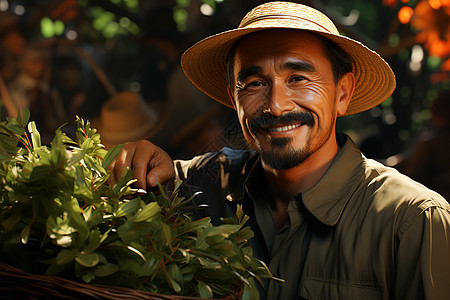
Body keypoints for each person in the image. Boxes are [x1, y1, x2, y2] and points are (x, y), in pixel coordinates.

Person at [109, 2, 450, 299]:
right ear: (234, 99)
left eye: (299, 78)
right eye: (255, 83)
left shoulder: (411, 221)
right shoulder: (207, 185)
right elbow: (149, 180)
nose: (276, 105)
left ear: (342, 94)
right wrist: (140, 158)